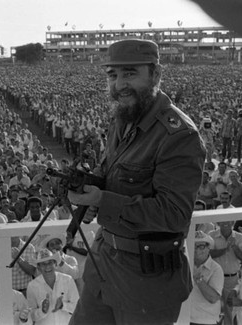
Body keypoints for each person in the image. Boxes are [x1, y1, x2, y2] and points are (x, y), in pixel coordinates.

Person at [67, 39, 205, 324]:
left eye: (130, 73)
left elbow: (175, 215)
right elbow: (114, 178)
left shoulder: (178, 135)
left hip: (146, 281)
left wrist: (103, 201)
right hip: (104, 263)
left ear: (155, 74)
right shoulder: (122, 120)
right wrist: (90, 190)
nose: (119, 85)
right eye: (113, 75)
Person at [26, 249, 79, 325]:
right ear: (38, 267)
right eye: (43, 264)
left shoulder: (68, 280)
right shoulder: (32, 286)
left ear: (55, 264)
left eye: (50, 262)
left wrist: (63, 305)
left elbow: (78, 307)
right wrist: (42, 311)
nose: (47, 266)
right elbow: (31, 315)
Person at [209, 219, 242, 325]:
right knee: (212, 307)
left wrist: (234, 247)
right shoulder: (211, 234)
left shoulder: (239, 237)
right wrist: (225, 249)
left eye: (229, 221)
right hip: (214, 278)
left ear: (233, 222)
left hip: (231, 278)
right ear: (218, 222)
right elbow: (208, 253)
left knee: (230, 309)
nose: (226, 222)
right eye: (223, 220)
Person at [190, 231, 224, 325]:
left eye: (201, 246)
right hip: (185, 318)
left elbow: (213, 298)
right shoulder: (186, 265)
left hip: (205, 321)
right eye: (194, 246)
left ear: (209, 248)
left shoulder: (216, 269)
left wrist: (198, 278)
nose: (197, 250)